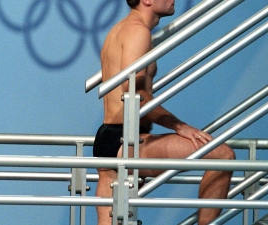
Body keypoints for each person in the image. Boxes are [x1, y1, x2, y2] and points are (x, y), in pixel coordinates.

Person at [93, 1, 235, 225]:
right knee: (221, 155)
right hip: (127, 140)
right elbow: (135, 95)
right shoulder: (137, 31)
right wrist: (179, 126)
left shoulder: (121, 29)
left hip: (110, 139)